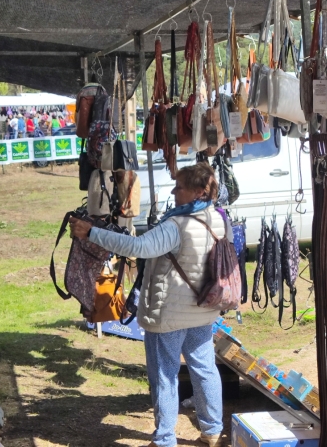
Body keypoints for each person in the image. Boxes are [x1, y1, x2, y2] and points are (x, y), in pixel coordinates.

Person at [68, 163, 225, 447]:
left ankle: (165, 438)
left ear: (197, 192)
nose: (174, 192)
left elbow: (138, 248)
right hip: (202, 309)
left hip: (169, 315)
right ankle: (212, 430)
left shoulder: (178, 225)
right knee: (205, 369)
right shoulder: (215, 217)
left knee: (164, 375)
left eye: (180, 187)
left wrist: (91, 233)